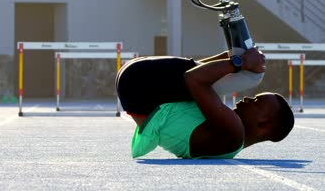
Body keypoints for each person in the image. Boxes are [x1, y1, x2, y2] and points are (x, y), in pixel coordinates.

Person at [115, 48, 295, 159]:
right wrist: (231, 56)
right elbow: (197, 72)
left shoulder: (234, 132)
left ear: (263, 124)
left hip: (139, 89)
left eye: (257, 102)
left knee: (217, 78)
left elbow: (193, 78)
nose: (247, 98)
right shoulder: (230, 139)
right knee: (221, 78)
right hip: (138, 94)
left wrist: (242, 62)